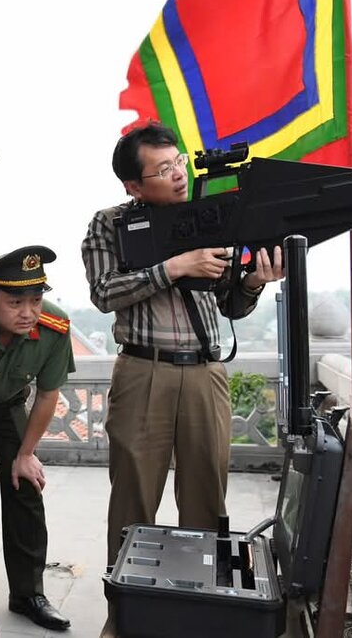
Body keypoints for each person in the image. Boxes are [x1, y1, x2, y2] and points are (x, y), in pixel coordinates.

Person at [81, 122, 284, 569]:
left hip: (205, 374)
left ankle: (199, 608)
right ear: (133, 184)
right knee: (133, 500)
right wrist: (172, 267)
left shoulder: (210, 216)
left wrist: (252, 282)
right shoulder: (110, 224)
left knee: (207, 500)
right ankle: (126, 613)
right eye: (162, 169)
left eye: (178, 163)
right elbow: (104, 292)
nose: (178, 174)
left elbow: (231, 305)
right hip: (142, 371)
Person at [0, 245, 75, 632]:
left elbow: (47, 394)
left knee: (25, 483)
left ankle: (28, 593)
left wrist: (25, 454)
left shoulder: (55, 327)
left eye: (36, 299)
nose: (28, 312)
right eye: (15, 301)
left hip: (6, 405)